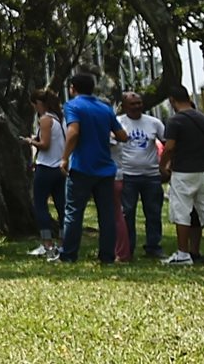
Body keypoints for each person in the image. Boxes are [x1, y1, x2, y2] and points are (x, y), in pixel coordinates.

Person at [52, 73, 129, 264]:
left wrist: (64, 158)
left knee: (73, 212)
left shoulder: (72, 105)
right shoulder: (105, 108)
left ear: (73, 88)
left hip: (82, 167)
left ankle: (68, 255)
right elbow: (122, 136)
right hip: (105, 169)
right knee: (107, 214)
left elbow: (74, 132)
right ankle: (107, 256)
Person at [160, 84, 204, 266]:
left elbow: (169, 147)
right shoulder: (203, 119)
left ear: (172, 101)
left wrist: (163, 165)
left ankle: (183, 253)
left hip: (183, 172)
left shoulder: (175, 121)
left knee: (181, 213)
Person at [116, 91, 166, 260]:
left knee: (153, 212)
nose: (137, 107)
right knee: (127, 213)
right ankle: (128, 247)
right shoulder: (118, 123)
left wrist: (165, 166)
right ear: (124, 106)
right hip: (128, 175)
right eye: (133, 104)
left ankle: (153, 246)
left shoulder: (154, 123)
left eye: (139, 103)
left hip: (151, 175)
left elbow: (167, 143)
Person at [23, 88, 66, 257]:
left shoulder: (45, 119)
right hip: (59, 168)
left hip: (46, 167)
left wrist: (30, 141)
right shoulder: (59, 118)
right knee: (62, 205)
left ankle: (47, 243)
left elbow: (45, 144)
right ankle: (63, 241)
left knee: (40, 205)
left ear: (39, 104)